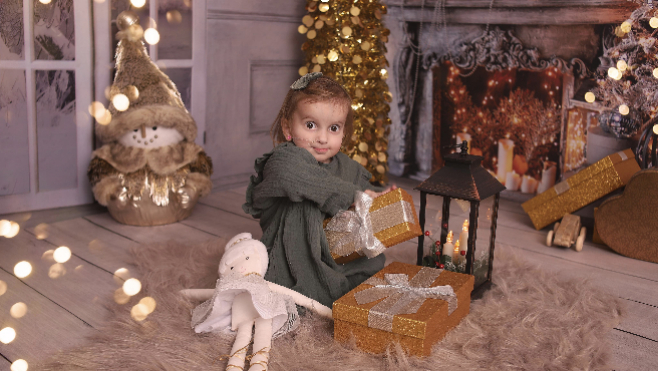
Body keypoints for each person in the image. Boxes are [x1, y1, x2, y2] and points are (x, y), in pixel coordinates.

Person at [242, 72, 395, 307]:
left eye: (334, 128)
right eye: (311, 125)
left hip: (337, 258)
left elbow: (364, 193)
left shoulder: (349, 168)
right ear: (287, 127)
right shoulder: (283, 161)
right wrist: (354, 197)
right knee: (279, 294)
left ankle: (348, 291)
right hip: (291, 261)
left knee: (369, 267)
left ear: (343, 132)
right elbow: (296, 178)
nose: (322, 138)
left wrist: (378, 200)